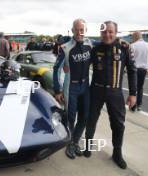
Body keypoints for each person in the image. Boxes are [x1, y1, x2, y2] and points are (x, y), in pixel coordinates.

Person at [84, 21, 137, 169]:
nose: (107, 34)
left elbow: (132, 71)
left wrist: (133, 94)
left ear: (116, 32)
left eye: (110, 32)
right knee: (91, 120)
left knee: (118, 124)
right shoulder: (94, 48)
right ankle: (88, 146)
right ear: (101, 33)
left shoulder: (124, 48)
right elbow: (83, 66)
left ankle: (117, 153)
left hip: (115, 92)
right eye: (104, 32)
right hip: (96, 90)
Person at [53, 19, 92, 159]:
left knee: (85, 116)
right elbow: (56, 69)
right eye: (77, 29)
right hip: (71, 87)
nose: (80, 32)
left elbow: (106, 46)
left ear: (85, 30)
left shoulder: (90, 44)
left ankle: (74, 142)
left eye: (82, 29)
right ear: (73, 30)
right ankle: (69, 144)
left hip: (86, 86)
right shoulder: (65, 47)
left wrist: (121, 43)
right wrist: (57, 90)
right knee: (71, 117)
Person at [130, 31, 148, 111]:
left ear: (135, 37)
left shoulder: (132, 45)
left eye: (133, 37)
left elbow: (129, 59)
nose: (132, 39)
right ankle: (139, 105)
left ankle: (133, 106)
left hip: (134, 69)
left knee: (133, 87)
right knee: (140, 87)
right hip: (143, 70)